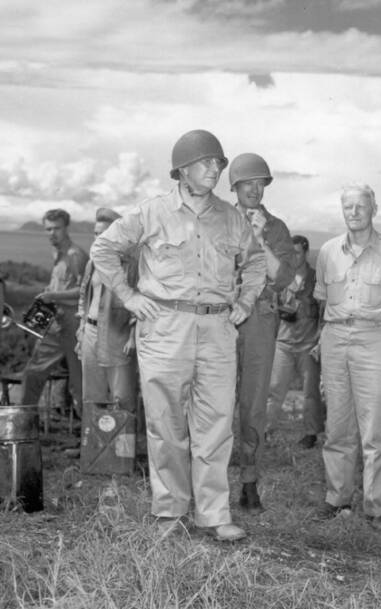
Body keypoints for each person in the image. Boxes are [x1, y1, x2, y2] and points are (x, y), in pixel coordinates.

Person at [91, 129, 266, 541]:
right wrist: (130, 297)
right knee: (166, 422)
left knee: (216, 423)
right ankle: (169, 511)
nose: (214, 169)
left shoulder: (232, 217)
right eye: (206, 162)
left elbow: (255, 262)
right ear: (182, 169)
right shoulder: (152, 213)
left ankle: (214, 514)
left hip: (218, 329)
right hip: (166, 328)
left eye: (218, 163)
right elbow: (104, 249)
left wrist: (244, 303)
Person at [314, 183, 381, 532]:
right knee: (338, 426)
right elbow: (320, 300)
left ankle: (378, 509)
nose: (354, 212)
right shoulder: (328, 252)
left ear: (374, 208)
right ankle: (336, 498)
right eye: (348, 207)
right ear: (342, 211)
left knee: (376, 430)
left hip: (378, 341)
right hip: (335, 338)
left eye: (361, 206)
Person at [231, 152, 296, 513]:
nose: (255, 189)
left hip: (260, 316)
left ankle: (249, 480)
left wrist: (260, 238)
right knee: (212, 397)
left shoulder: (276, 227)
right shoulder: (219, 220)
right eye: (248, 184)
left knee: (254, 401)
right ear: (235, 187)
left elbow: (283, 277)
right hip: (221, 315)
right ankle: (205, 477)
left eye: (261, 184)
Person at [76, 207, 139, 437]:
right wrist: (82, 329)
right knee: (92, 394)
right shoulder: (92, 262)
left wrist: (133, 337)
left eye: (103, 234)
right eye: (95, 234)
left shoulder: (130, 266)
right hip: (91, 333)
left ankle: (123, 451)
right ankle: (93, 448)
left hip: (118, 335)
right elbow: (83, 296)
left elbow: (138, 301)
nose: (98, 239)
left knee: (122, 395)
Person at [22, 209, 88, 415]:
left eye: (56, 228)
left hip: (74, 326)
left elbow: (85, 293)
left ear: (66, 228)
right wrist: (48, 294)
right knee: (33, 374)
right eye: (48, 229)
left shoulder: (75, 255)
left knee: (80, 386)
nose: (52, 233)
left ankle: (89, 441)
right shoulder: (57, 253)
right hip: (54, 322)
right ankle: (21, 426)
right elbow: (61, 286)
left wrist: (53, 296)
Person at [265, 234, 324, 448]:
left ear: (306, 252)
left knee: (310, 392)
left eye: (297, 252)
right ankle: (263, 430)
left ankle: (311, 433)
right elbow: (270, 306)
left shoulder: (317, 280)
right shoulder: (282, 278)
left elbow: (324, 313)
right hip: (283, 342)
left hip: (308, 344)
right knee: (274, 388)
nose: (294, 257)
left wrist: (320, 341)